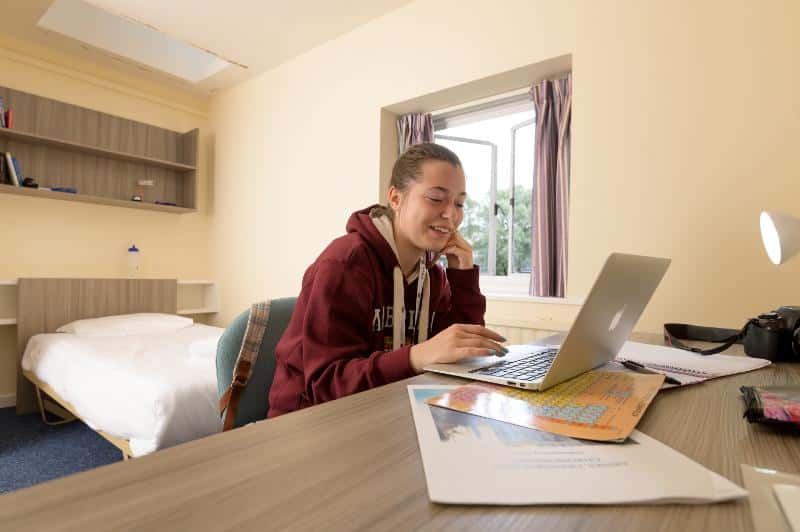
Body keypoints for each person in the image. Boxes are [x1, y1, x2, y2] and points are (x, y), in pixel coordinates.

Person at [267, 142, 507, 418]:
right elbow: (326, 386)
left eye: (459, 203)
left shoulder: (433, 275)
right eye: (436, 198)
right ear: (395, 198)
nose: (451, 215)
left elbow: (463, 354)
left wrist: (463, 275)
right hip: (307, 422)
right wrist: (417, 356)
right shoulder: (345, 264)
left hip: (386, 411)